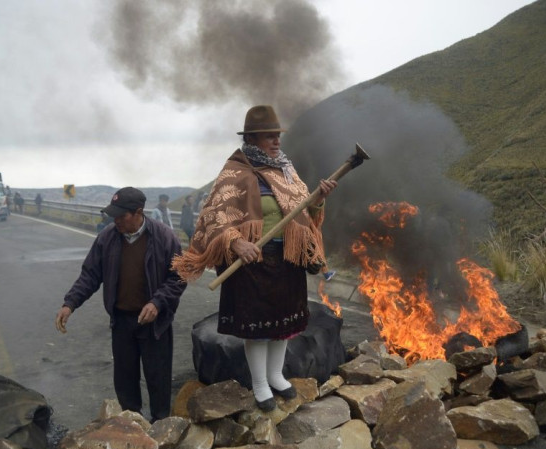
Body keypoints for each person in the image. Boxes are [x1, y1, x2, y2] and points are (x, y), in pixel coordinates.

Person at [172, 105, 337, 411]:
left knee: (284, 321)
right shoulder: (236, 172)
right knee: (258, 328)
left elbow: (304, 216)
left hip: (286, 258)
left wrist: (319, 201)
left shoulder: (285, 170)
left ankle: (276, 375)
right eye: (269, 136)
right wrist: (236, 243)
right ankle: (260, 383)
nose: (276, 141)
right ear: (251, 138)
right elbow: (214, 217)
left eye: (277, 136)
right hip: (251, 261)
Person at [54, 187, 187, 421]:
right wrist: (70, 303)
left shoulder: (165, 238)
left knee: (158, 377)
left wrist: (157, 302)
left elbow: (178, 278)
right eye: (112, 215)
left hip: (155, 323)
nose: (115, 220)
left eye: (121, 215)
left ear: (138, 212)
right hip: (122, 321)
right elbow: (90, 275)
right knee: (125, 378)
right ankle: (131, 423)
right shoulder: (107, 238)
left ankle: (161, 425)